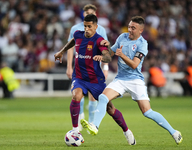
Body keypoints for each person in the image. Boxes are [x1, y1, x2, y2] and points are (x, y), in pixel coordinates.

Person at [81, 16, 183, 145]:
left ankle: (174, 132)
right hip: (121, 79)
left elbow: (135, 65)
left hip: (136, 80)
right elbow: (110, 54)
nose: (130, 30)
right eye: (129, 26)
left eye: (133, 28)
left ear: (140, 30)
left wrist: (122, 55)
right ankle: (95, 126)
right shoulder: (122, 37)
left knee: (147, 112)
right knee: (103, 98)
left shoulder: (142, 43)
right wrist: (101, 56)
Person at [54, 14, 136, 145]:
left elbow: (108, 56)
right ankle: (75, 131)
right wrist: (62, 52)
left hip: (95, 80)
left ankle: (126, 131)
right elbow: (73, 41)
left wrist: (102, 58)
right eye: (85, 26)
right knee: (76, 95)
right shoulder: (77, 34)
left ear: (96, 27)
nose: (86, 29)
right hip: (79, 77)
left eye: (89, 26)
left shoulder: (99, 40)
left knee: (110, 108)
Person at [66, 4, 109, 130]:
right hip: (80, 65)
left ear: (96, 14)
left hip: (94, 67)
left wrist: (105, 68)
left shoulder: (100, 29)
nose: (88, 14)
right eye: (86, 12)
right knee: (78, 93)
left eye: (91, 12)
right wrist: (69, 66)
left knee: (93, 96)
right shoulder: (76, 29)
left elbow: (104, 50)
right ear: (83, 14)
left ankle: (91, 121)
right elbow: (70, 48)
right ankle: (80, 119)